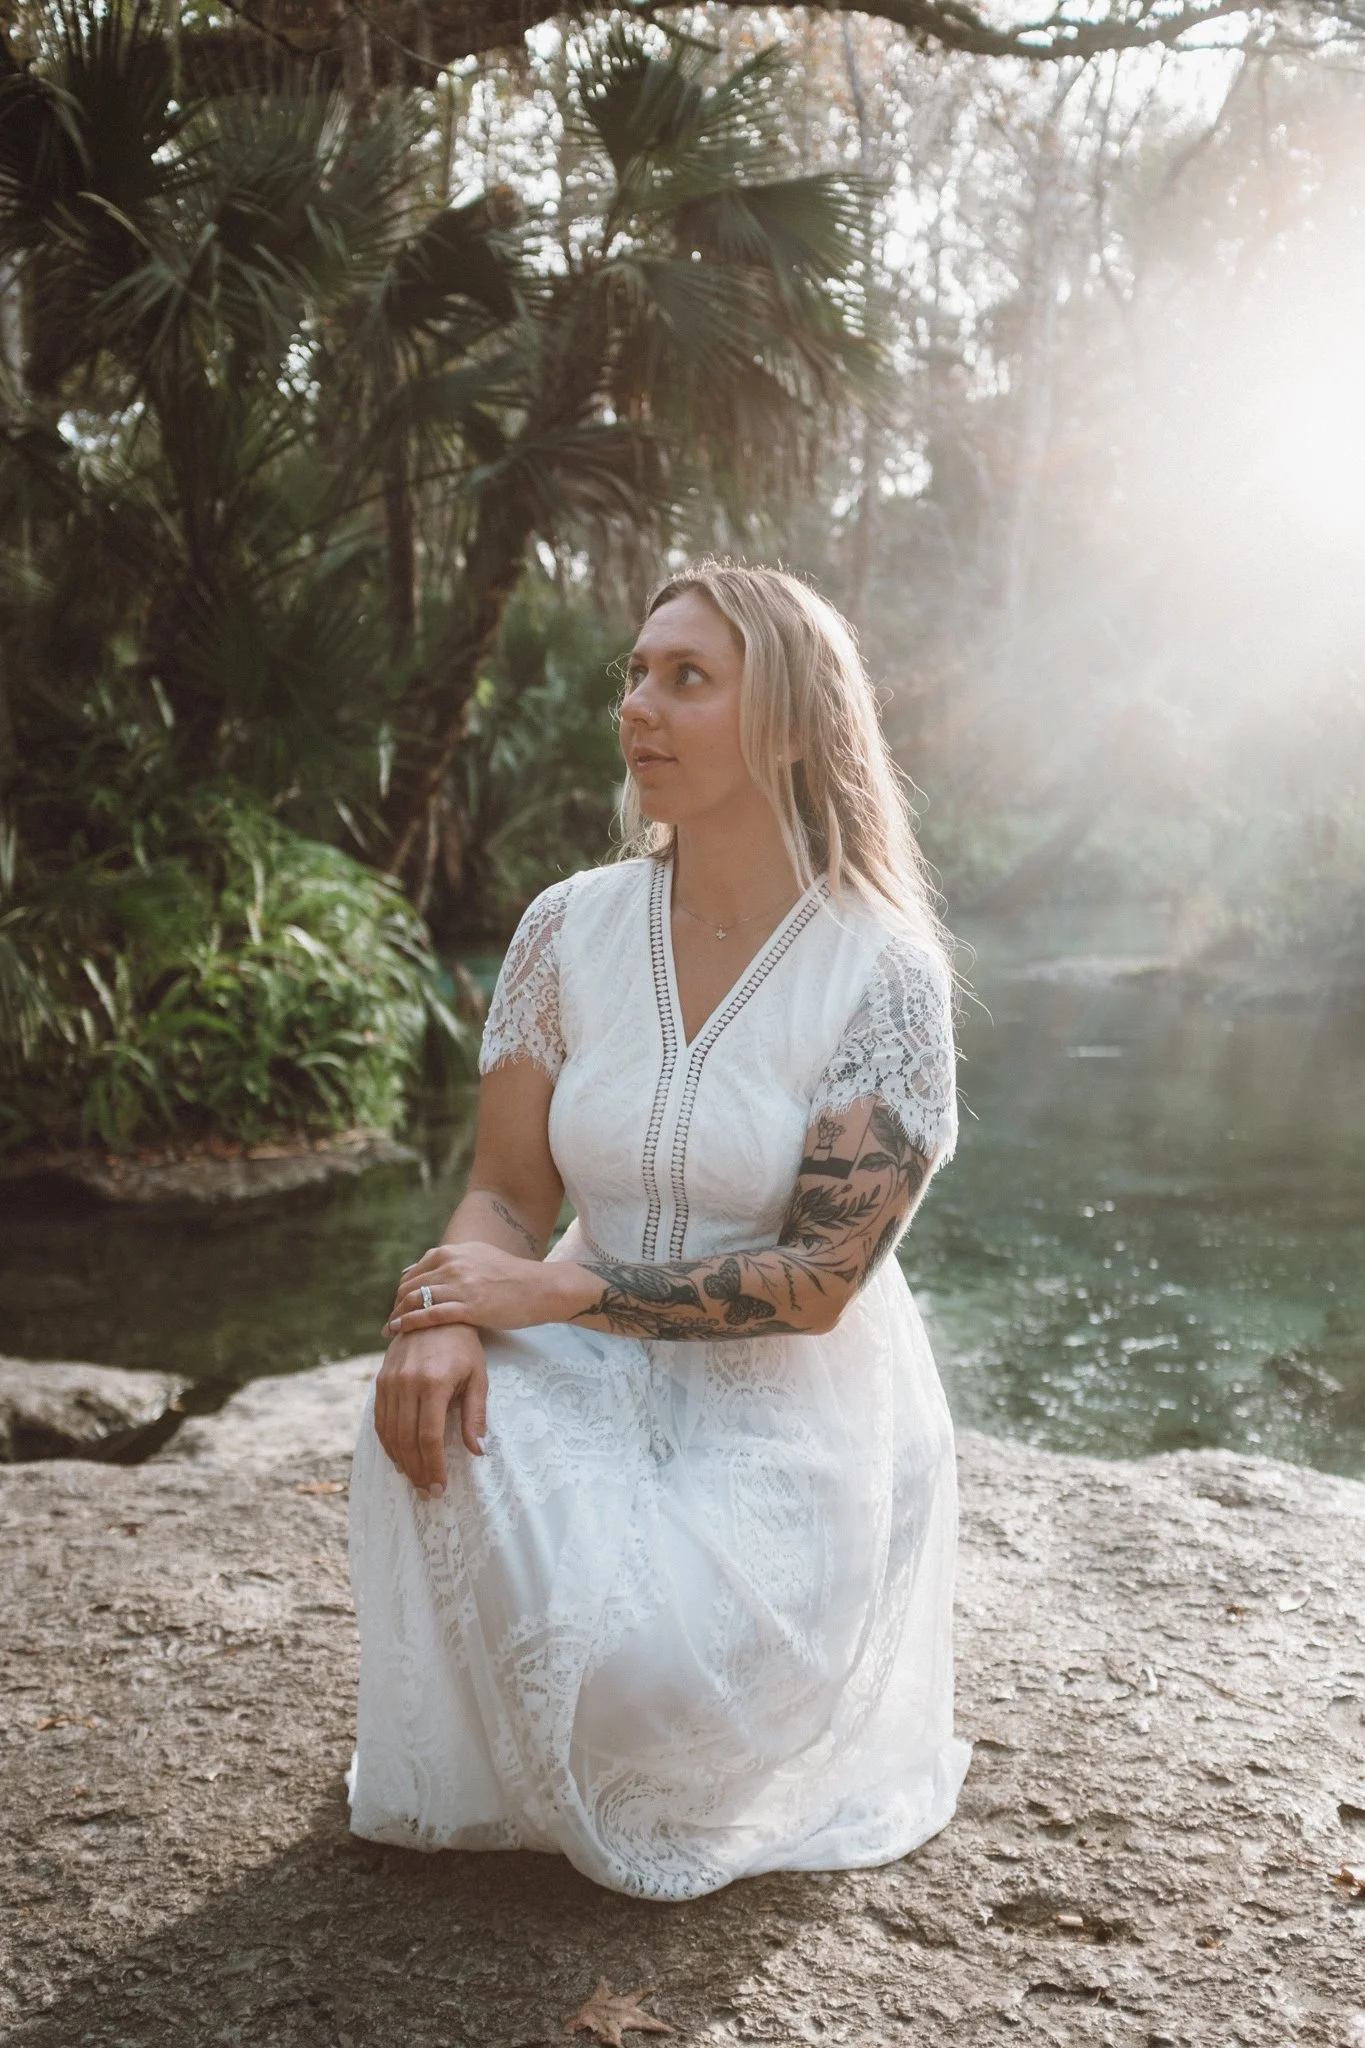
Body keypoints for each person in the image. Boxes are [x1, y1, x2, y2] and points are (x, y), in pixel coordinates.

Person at [347, 560, 971, 1901]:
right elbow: (508, 1196)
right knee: (421, 1420)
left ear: (791, 724)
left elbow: (819, 1280)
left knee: (643, 1682)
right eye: (635, 672)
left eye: (688, 678)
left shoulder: (882, 971)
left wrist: (560, 1295)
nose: (638, 704)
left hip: (793, 1410)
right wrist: (448, 1312)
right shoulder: (565, 927)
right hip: (584, 1360)